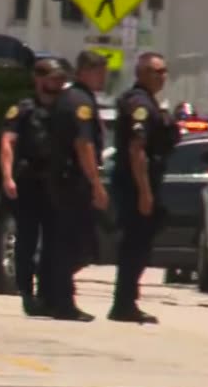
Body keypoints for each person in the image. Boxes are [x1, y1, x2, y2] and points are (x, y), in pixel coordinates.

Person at [109, 52, 179, 324]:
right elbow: (137, 149)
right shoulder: (140, 104)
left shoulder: (150, 103)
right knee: (134, 245)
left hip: (141, 183)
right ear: (140, 74)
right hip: (136, 185)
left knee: (139, 244)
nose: (161, 77)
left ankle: (126, 301)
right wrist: (144, 192)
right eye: (155, 72)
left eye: (164, 71)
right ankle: (124, 303)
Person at [44, 50, 110, 321]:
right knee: (78, 246)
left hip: (63, 179)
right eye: (99, 72)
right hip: (73, 182)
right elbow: (83, 144)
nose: (103, 77)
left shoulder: (69, 97)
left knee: (66, 243)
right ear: (84, 71)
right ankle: (61, 300)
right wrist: (96, 184)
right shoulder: (80, 100)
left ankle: (52, 294)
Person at [0, 56, 67, 316]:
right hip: (29, 182)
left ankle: (48, 292)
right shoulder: (23, 109)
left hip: (56, 181)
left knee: (54, 240)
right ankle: (27, 292)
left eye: (61, 79)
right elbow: (8, 143)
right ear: (39, 79)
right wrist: (7, 177)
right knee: (26, 240)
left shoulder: (64, 108)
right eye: (53, 78)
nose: (58, 83)